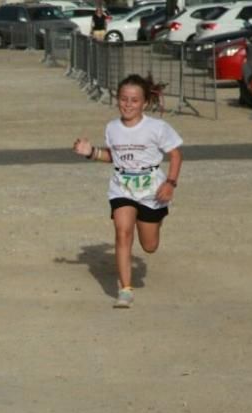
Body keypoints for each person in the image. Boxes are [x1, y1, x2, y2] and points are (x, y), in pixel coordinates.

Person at [73, 74, 183, 308]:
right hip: (122, 187)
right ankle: (125, 290)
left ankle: (156, 221)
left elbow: (175, 155)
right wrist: (90, 152)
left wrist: (170, 183)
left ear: (144, 103)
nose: (128, 104)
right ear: (117, 100)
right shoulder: (112, 128)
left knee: (149, 246)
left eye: (134, 100)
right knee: (122, 233)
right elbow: (114, 156)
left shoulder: (157, 127)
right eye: (124, 99)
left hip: (152, 189)